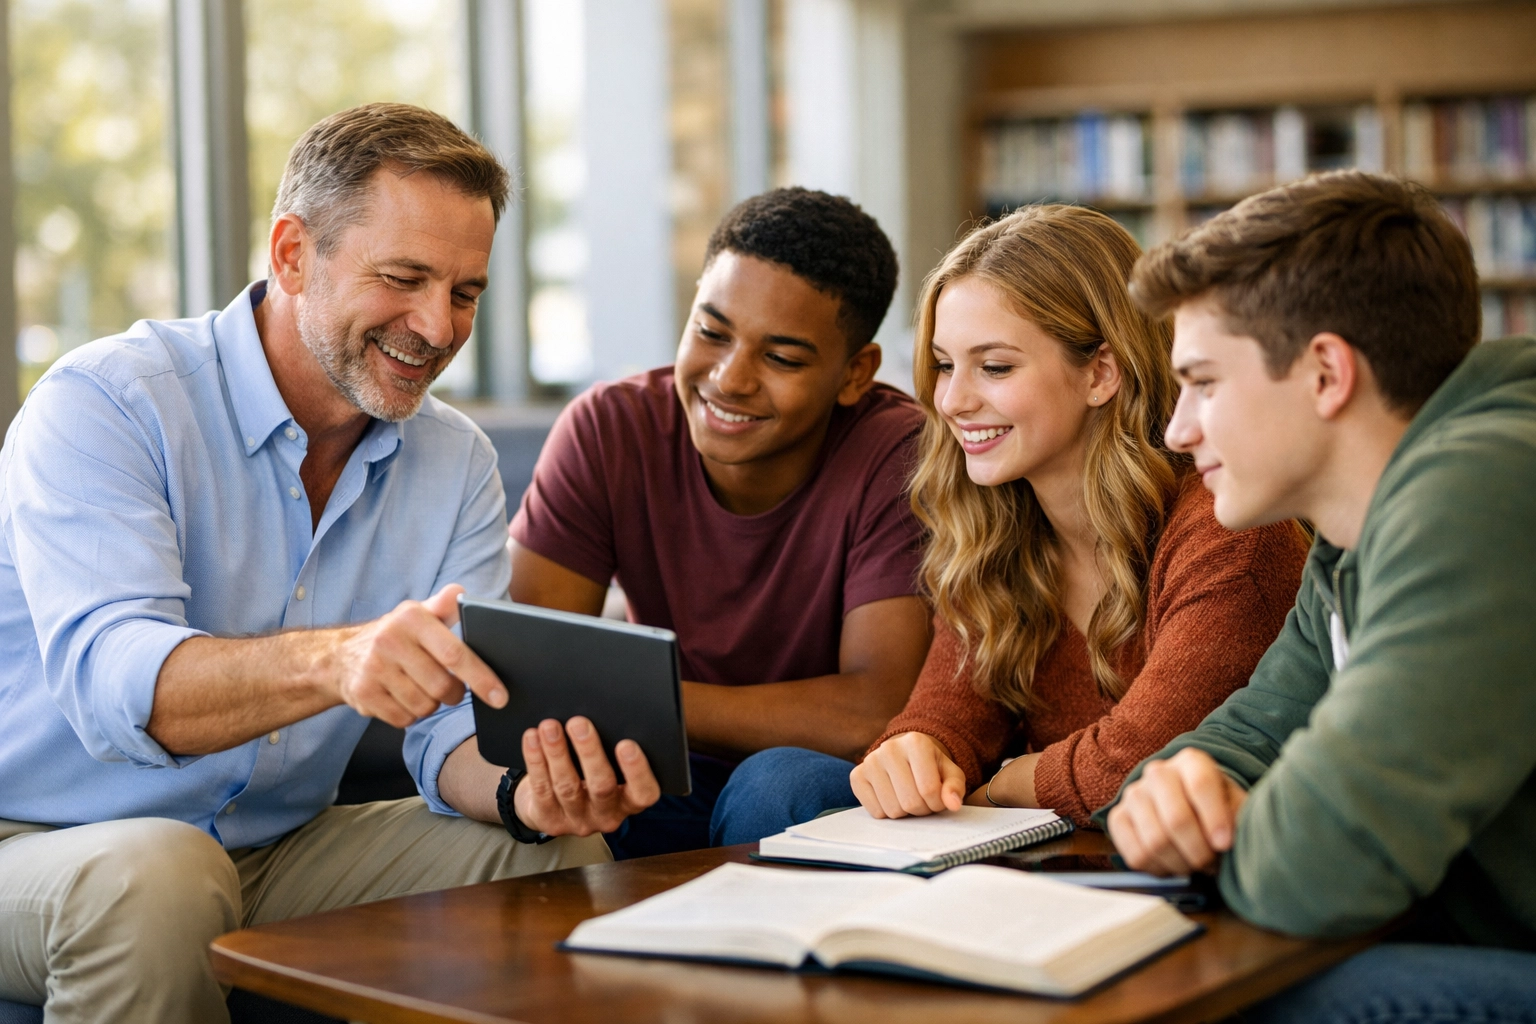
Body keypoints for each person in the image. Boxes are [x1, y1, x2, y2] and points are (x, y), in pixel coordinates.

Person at [0, 104, 656, 1024]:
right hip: (38, 841)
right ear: (293, 253)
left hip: (277, 848)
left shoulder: (453, 460)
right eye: (404, 278)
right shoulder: (107, 404)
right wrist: (340, 660)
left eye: (466, 292)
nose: (437, 326)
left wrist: (527, 789)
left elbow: (450, 733)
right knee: (160, 876)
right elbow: (121, 687)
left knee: (552, 861)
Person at [713, 205, 1309, 843]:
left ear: (1100, 372)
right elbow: (944, 721)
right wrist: (912, 752)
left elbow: (1138, 767)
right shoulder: (998, 526)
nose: (952, 401)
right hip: (1037, 849)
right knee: (776, 782)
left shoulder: (1231, 533)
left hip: (1166, 866)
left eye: (994, 367)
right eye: (945, 364)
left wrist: (1000, 784)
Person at [1099, 170, 1536, 1019]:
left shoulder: (1484, 488)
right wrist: (1173, 798)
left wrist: (1215, 834)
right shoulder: (1347, 540)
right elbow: (1244, 737)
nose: (1175, 428)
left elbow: (1319, 872)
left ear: (1327, 373)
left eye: (1205, 382)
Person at [478, 187, 932, 858]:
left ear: (855, 373)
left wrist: (648, 705)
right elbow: (534, 674)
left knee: (775, 787)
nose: (729, 379)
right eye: (711, 332)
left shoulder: (900, 453)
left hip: (808, 776)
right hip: (651, 773)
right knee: (552, 796)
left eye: (780, 358)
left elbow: (872, 711)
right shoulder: (610, 426)